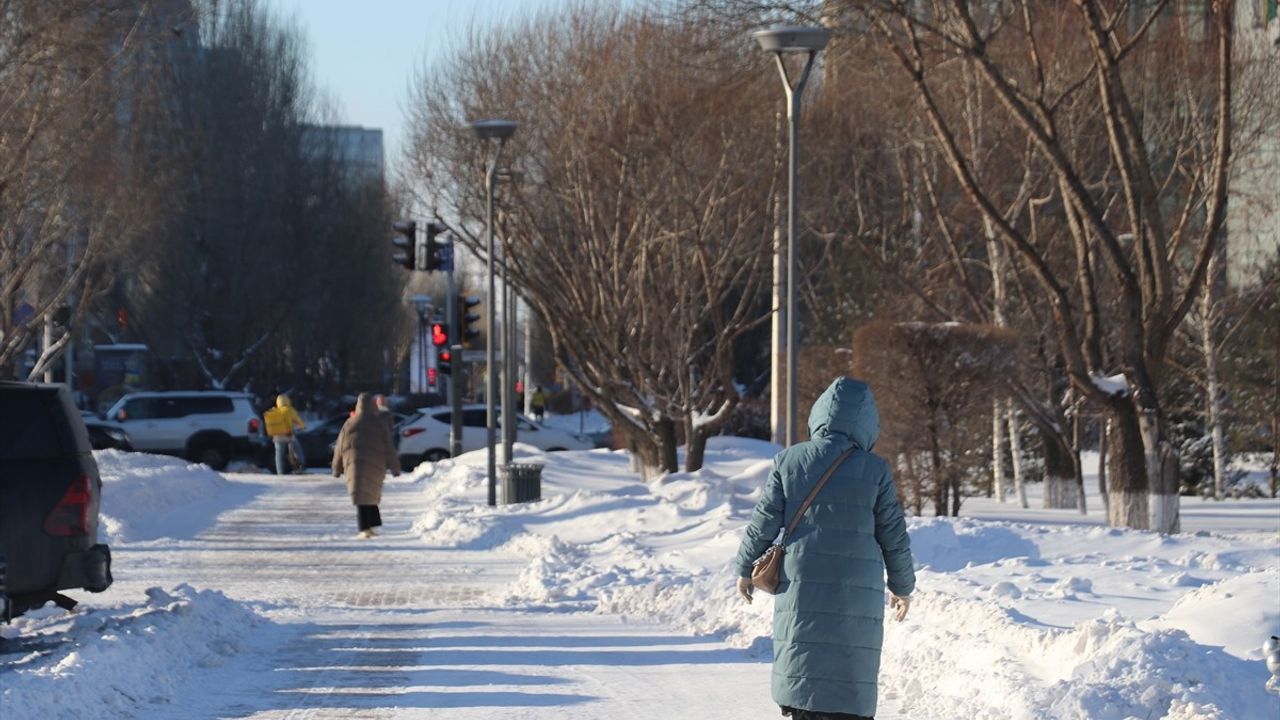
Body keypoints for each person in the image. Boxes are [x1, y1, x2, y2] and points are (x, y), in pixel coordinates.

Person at [733, 377, 915, 720]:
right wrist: (902, 586)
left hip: (801, 585)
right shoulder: (874, 469)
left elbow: (763, 523)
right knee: (849, 672)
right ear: (867, 423)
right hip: (856, 589)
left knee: (805, 667)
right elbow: (894, 534)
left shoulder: (790, 461)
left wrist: (745, 568)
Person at [332, 392, 400, 539]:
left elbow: (339, 446)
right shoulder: (379, 424)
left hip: (354, 465)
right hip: (376, 464)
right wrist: (395, 467)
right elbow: (389, 446)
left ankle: (366, 527)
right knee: (371, 493)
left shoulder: (350, 423)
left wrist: (336, 468)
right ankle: (368, 526)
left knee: (361, 495)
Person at [263, 394, 306, 475]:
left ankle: (280, 472)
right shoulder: (290, 410)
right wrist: (302, 427)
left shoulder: (274, 411)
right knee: (298, 450)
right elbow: (300, 422)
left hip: (277, 436)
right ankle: (301, 465)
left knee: (279, 455)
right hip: (289, 435)